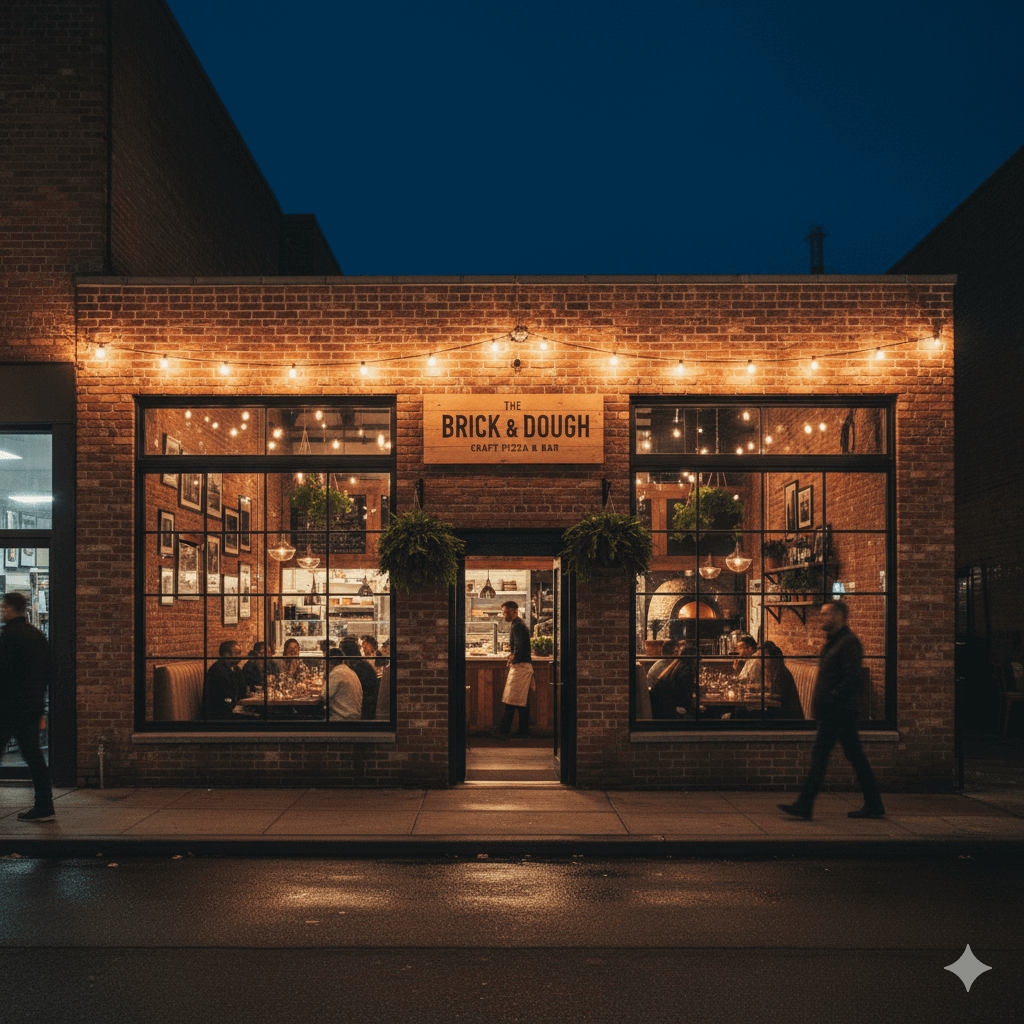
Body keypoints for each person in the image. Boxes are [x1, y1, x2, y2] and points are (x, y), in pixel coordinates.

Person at [779, 602, 885, 820]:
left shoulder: (848, 643)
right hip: (836, 711)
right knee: (853, 757)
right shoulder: (836, 642)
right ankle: (874, 803)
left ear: (838, 617)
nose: (822, 618)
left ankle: (805, 805)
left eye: (826, 614)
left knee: (823, 756)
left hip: (840, 712)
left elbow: (851, 679)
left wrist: (829, 700)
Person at [0, 592, 55, 822]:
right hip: (32, 706)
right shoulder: (37, 635)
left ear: (13, 610)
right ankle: (45, 805)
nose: (2, 612)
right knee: (34, 757)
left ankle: (44, 807)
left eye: (4, 608)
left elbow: (3, 674)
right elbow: (48, 671)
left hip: (9, 707)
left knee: (31, 755)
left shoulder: (9, 636)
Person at [496, 601, 534, 738]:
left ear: (514, 611)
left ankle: (504, 732)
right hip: (523, 666)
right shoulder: (518, 624)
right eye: (503, 612)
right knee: (520, 702)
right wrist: (512, 654)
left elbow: (519, 647)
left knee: (511, 700)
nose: (503, 614)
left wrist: (512, 657)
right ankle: (522, 732)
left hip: (520, 667)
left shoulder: (517, 626)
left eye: (505, 612)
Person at [648, 640, 696, 718]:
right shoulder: (666, 666)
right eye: (676, 652)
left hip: (660, 704)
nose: (677, 655)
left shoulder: (673, 666)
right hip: (662, 708)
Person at [761, 640, 803, 719]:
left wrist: (760, 695)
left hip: (788, 717)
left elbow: (779, 697)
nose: (763, 660)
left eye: (765, 656)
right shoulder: (776, 671)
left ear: (773, 659)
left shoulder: (782, 674)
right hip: (779, 713)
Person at [204, 640, 244, 719]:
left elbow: (243, 689)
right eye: (237, 653)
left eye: (240, 653)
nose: (240, 656)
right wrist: (236, 705)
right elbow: (224, 699)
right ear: (226, 654)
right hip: (219, 715)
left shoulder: (235, 669)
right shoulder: (218, 670)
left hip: (230, 710)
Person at [322, 644, 362, 721]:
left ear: (329, 662)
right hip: (355, 717)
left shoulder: (336, 673)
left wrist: (325, 676)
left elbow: (323, 696)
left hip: (341, 719)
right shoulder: (350, 671)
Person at [343, 636, 379, 719]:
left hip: (364, 707)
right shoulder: (362, 664)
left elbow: (353, 689)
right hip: (366, 704)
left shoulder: (359, 667)